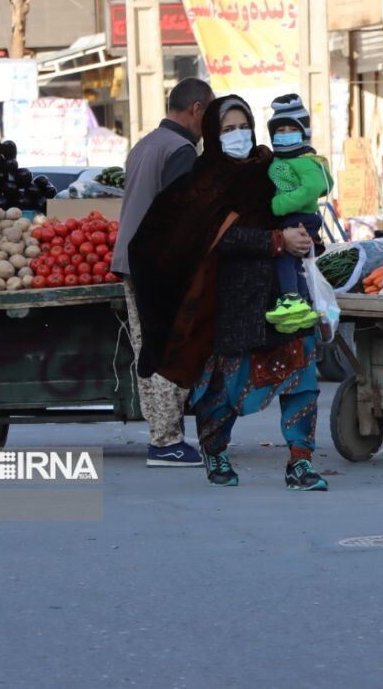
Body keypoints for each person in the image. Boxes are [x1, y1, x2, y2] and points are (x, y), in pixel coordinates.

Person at [126, 95, 329, 491]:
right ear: (213, 135)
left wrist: (305, 237)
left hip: (282, 294)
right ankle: (216, 452)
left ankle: (300, 461)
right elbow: (213, 237)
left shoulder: (269, 169)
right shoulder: (204, 181)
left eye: (244, 126)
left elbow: (296, 210)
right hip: (231, 300)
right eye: (228, 129)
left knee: (302, 373)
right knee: (224, 387)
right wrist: (276, 240)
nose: (239, 135)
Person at [112, 77, 214, 468]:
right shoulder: (181, 150)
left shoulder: (146, 144)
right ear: (196, 110)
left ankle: (164, 437)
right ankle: (166, 442)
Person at [263, 94, 333, 333]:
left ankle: (291, 299)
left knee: (284, 256)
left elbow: (313, 188)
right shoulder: (279, 159)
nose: (284, 133)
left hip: (299, 219)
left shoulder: (305, 161)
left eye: (291, 128)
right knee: (295, 265)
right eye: (279, 129)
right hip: (292, 219)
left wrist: (277, 205)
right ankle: (303, 302)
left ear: (303, 131)